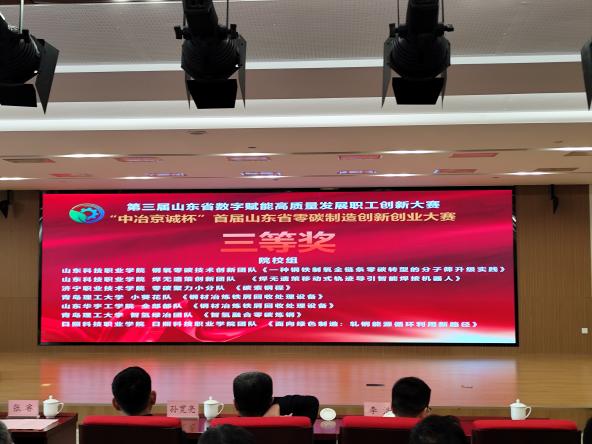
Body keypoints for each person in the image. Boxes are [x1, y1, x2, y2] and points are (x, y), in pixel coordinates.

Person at [233, 371, 319, 423]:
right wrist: (277, 404)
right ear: (271, 401)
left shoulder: (228, 430)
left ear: (235, 404)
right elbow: (311, 402)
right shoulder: (293, 428)